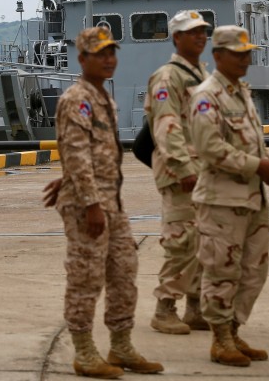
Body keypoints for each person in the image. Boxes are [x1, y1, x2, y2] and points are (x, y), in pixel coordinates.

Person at [53, 26, 163, 378]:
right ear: (82, 58)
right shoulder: (77, 99)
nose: (108, 59)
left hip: (109, 201)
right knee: (86, 277)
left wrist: (75, 182)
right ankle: (84, 352)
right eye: (99, 54)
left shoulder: (104, 98)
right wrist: (89, 203)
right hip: (91, 205)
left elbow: (86, 154)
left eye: (111, 52)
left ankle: (121, 346)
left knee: (124, 271)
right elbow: (75, 153)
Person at [187, 25, 269, 367]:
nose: (245, 59)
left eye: (247, 53)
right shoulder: (206, 96)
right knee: (221, 270)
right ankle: (219, 339)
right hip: (222, 201)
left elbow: (249, 141)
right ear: (217, 56)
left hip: (252, 198)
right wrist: (257, 166)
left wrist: (265, 165)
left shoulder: (241, 92)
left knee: (254, 270)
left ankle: (234, 328)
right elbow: (210, 148)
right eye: (238, 53)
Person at [144, 9, 211, 334]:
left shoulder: (201, 74)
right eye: (192, 31)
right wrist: (183, 167)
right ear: (176, 38)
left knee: (201, 242)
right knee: (181, 241)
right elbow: (166, 126)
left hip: (203, 172)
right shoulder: (168, 77)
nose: (200, 36)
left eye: (203, 31)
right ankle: (164, 308)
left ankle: (195, 308)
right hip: (181, 173)